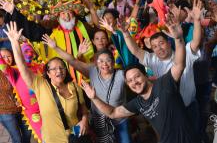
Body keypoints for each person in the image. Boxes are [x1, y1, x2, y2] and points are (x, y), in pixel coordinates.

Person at [81, 12, 198, 143]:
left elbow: (179, 64)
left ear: (146, 76)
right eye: (130, 81)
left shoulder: (164, 84)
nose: (134, 82)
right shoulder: (138, 103)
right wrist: (94, 98)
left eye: (137, 77)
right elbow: (113, 113)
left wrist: (178, 39)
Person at [4, 21, 89, 143]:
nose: (58, 71)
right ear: (48, 73)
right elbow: (22, 67)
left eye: (61, 67)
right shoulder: (41, 85)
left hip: (75, 138)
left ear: (65, 70)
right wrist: (14, 43)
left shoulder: (74, 86)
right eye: (53, 69)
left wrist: (85, 120)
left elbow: (84, 111)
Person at [0, 0, 97, 84]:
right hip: (60, 82)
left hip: (88, 80)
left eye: (69, 13)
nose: (67, 17)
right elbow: (32, 31)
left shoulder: (84, 27)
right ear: (58, 15)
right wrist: (13, 12)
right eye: (63, 13)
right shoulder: (51, 29)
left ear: (74, 13)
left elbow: (99, 36)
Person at [42, 34, 132, 143]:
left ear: (113, 62)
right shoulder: (92, 71)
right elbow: (72, 61)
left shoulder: (121, 75)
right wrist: (55, 47)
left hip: (120, 120)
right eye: (100, 61)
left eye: (108, 60)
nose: (104, 64)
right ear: (96, 63)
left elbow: (137, 82)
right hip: (99, 121)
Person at [0, 43, 43, 141]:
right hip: (11, 112)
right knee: (18, 138)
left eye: (31, 51)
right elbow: (4, 67)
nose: (29, 54)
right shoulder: (14, 71)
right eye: (25, 51)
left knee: (27, 136)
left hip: (42, 107)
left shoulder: (39, 66)